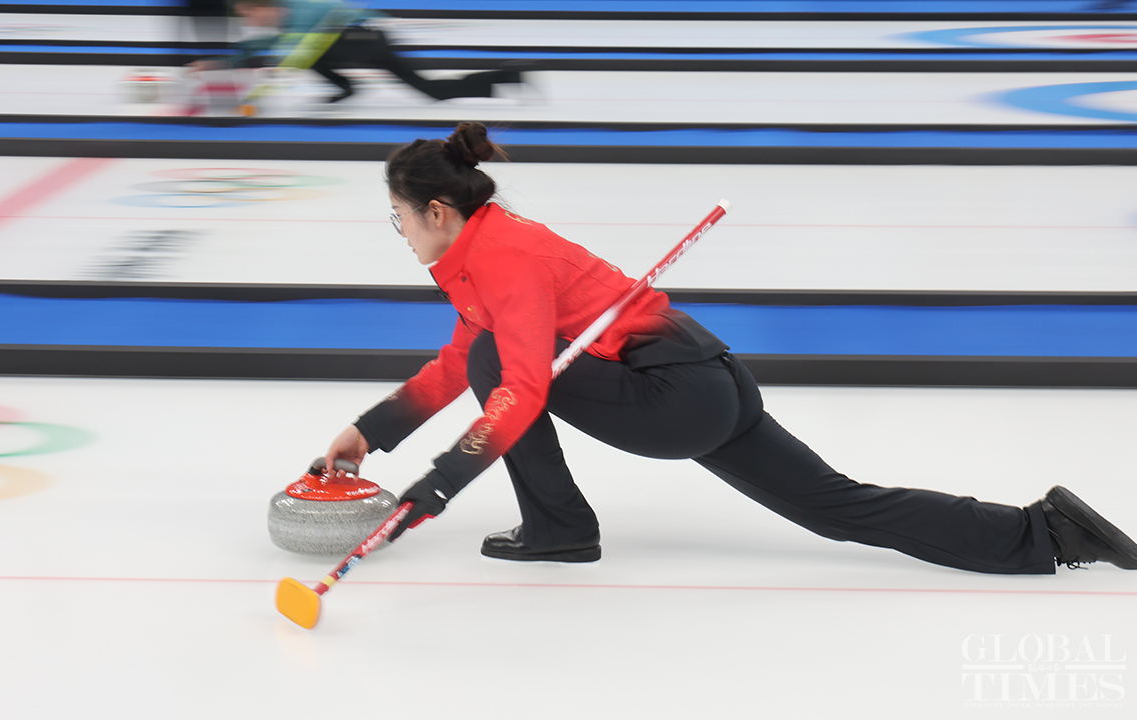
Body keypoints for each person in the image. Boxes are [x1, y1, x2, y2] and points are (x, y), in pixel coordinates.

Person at [322, 121, 1137, 574]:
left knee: (505, 367)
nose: (398, 232)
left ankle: (559, 530)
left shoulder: (503, 258)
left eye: (399, 217)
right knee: (836, 507)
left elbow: (517, 384)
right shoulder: (485, 252)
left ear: (437, 210)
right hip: (712, 380)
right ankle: (1044, 533)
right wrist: (374, 430)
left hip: (672, 398)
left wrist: (430, 490)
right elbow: (460, 359)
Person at [191, 0, 524, 103]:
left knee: (302, 51)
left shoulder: (300, 11)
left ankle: (346, 86)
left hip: (364, 40)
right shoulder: (284, 24)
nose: (250, 21)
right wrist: (221, 62)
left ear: (261, 6)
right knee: (431, 91)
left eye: (249, 14)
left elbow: (350, 12)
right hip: (367, 44)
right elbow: (260, 47)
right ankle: (506, 77)